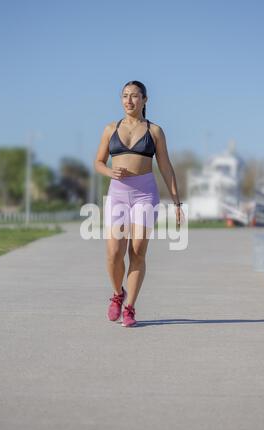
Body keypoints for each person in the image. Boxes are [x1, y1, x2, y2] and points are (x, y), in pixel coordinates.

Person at [94, 80, 184, 327]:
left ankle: (130, 308)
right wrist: (108, 172)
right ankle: (117, 294)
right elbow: (99, 162)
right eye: (125, 96)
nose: (129, 100)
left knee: (137, 251)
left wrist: (177, 203)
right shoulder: (110, 128)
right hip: (118, 194)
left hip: (145, 194)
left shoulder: (155, 131)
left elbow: (165, 166)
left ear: (145, 100)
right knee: (114, 253)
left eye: (134, 96)